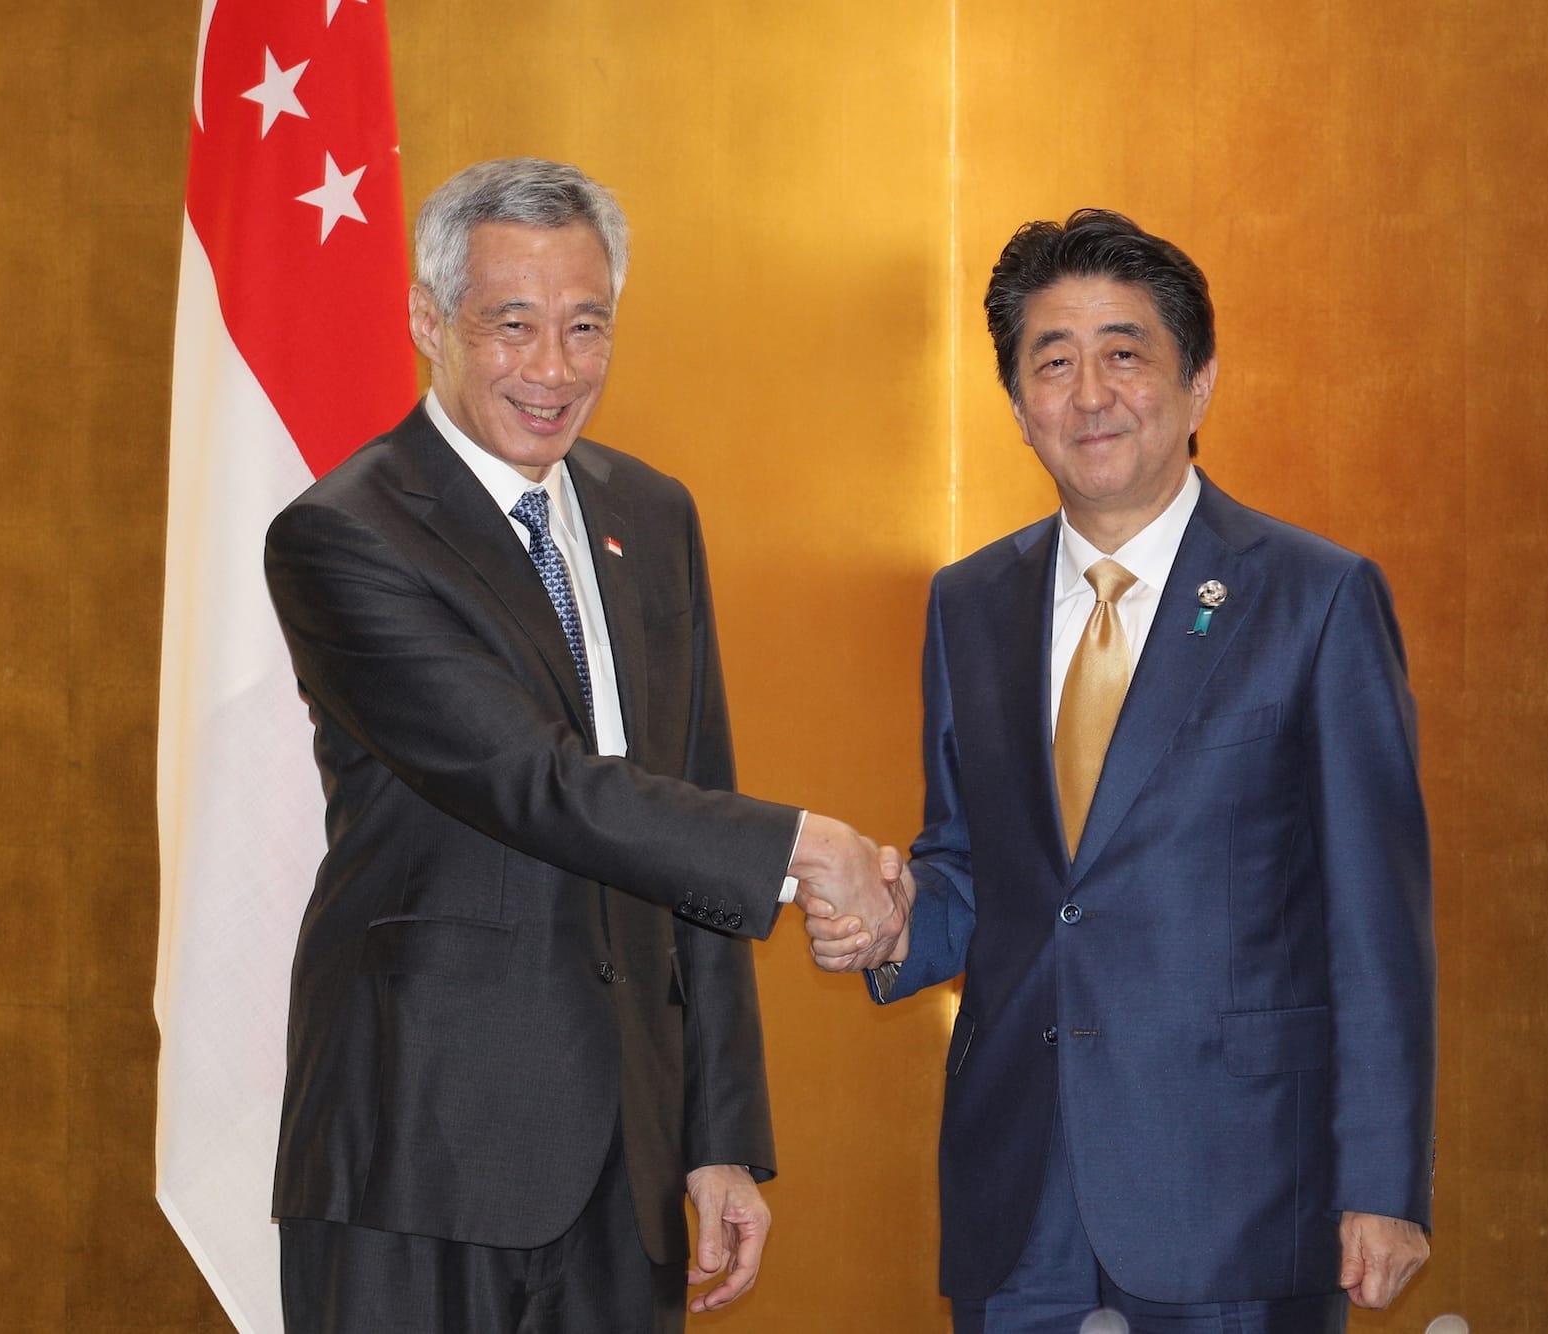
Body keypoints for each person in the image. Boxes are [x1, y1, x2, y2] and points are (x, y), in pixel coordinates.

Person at [263, 157, 898, 1334]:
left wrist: (716, 1134)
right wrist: (806, 846)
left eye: (585, 325)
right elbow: (534, 782)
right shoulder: (341, 537)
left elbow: (688, 801)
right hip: (420, 1150)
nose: (553, 369)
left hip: (630, 1162)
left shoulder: (648, 515)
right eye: (513, 325)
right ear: (426, 319)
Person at [807, 209, 1437, 1333]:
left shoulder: (1314, 595)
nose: (1087, 392)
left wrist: (1381, 1184)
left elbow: (1377, 919)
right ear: (1016, 407)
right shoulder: (968, 602)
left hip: (1239, 1192)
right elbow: (976, 868)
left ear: (1196, 385)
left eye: (1123, 351)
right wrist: (895, 925)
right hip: (1017, 1196)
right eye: (1051, 361)